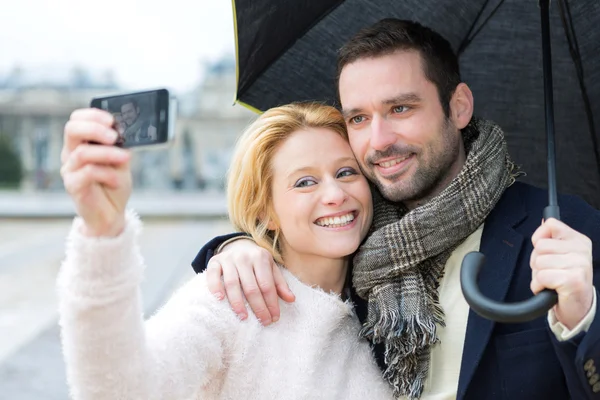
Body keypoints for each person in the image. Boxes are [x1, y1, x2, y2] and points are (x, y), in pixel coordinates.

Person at [192, 19, 600, 400]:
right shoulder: (353, 235)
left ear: (458, 107)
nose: (379, 139)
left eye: (400, 109)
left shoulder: (562, 229)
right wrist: (236, 247)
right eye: (358, 118)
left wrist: (582, 317)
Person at [56, 102, 394, 399]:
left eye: (346, 172)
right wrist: (102, 233)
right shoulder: (230, 299)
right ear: (265, 211)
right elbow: (121, 390)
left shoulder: (391, 308)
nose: (335, 194)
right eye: (305, 182)